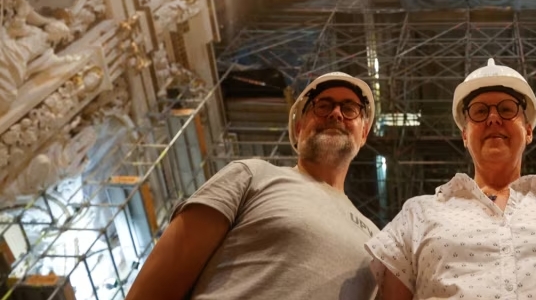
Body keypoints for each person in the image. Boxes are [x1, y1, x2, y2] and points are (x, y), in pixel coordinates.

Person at [366, 58, 536, 300]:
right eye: (480, 112)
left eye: (507, 109)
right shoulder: (416, 215)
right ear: (464, 135)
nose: (493, 118)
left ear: (528, 131)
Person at [126, 72, 379, 300]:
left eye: (349, 109)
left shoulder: (377, 238)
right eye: (323, 106)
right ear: (300, 127)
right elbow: (162, 279)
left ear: (364, 133)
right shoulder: (254, 175)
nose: (335, 114)